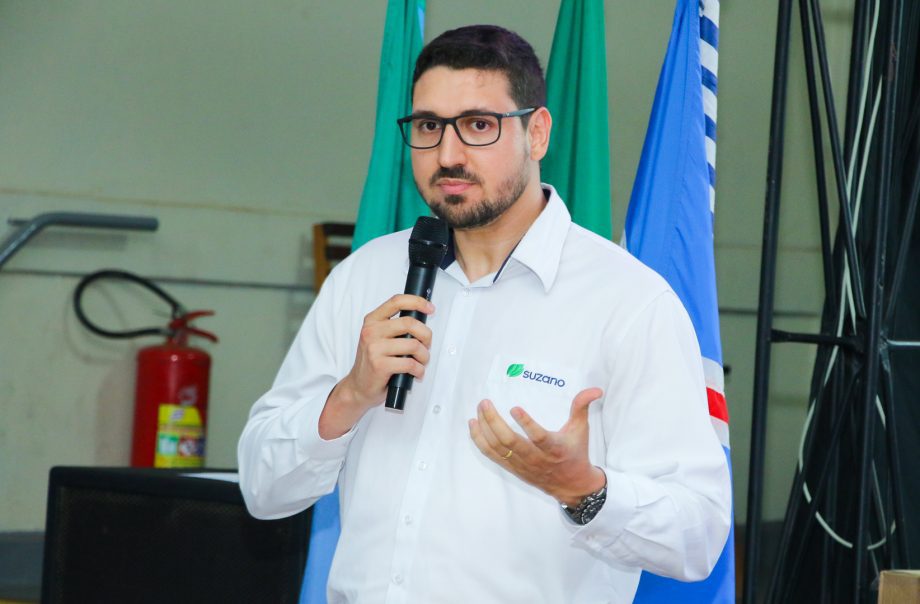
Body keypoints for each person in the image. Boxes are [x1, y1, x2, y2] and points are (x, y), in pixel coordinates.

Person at [238, 24, 731, 603]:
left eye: (477, 125)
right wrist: (347, 396)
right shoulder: (364, 276)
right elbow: (263, 488)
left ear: (537, 133)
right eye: (428, 127)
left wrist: (583, 489)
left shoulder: (629, 302)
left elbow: (699, 536)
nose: (448, 155)